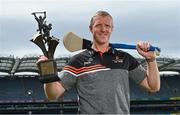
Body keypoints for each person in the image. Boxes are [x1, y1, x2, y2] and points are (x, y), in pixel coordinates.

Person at [37, 11, 160, 114]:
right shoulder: (78, 61)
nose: (103, 29)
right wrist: (47, 72)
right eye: (98, 25)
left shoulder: (125, 58)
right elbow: (53, 95)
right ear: (91, 29)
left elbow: (153, 87)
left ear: (112, 29)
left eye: (107, 26)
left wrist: (151, 59)